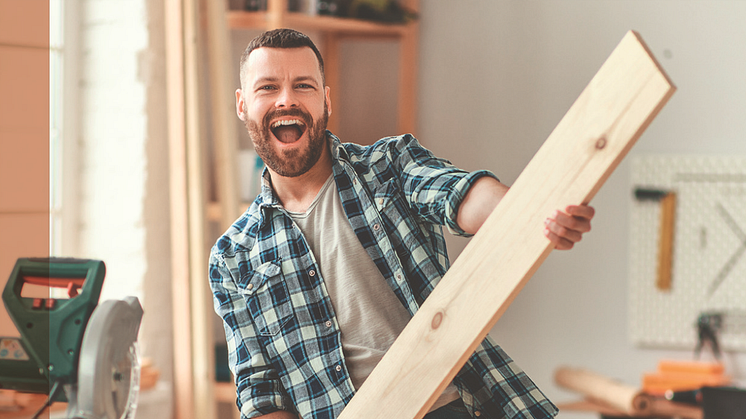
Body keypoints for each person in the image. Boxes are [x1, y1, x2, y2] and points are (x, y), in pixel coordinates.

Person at [209, 28, 594, 419]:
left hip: (449, 408)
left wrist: (530, 213)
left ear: (325, 100)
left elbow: (459, 195)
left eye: (303, 85)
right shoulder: (232, 256)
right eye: (268, 87)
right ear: (242, 104)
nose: (287, 99)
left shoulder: (389, 166)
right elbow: (260, 393)